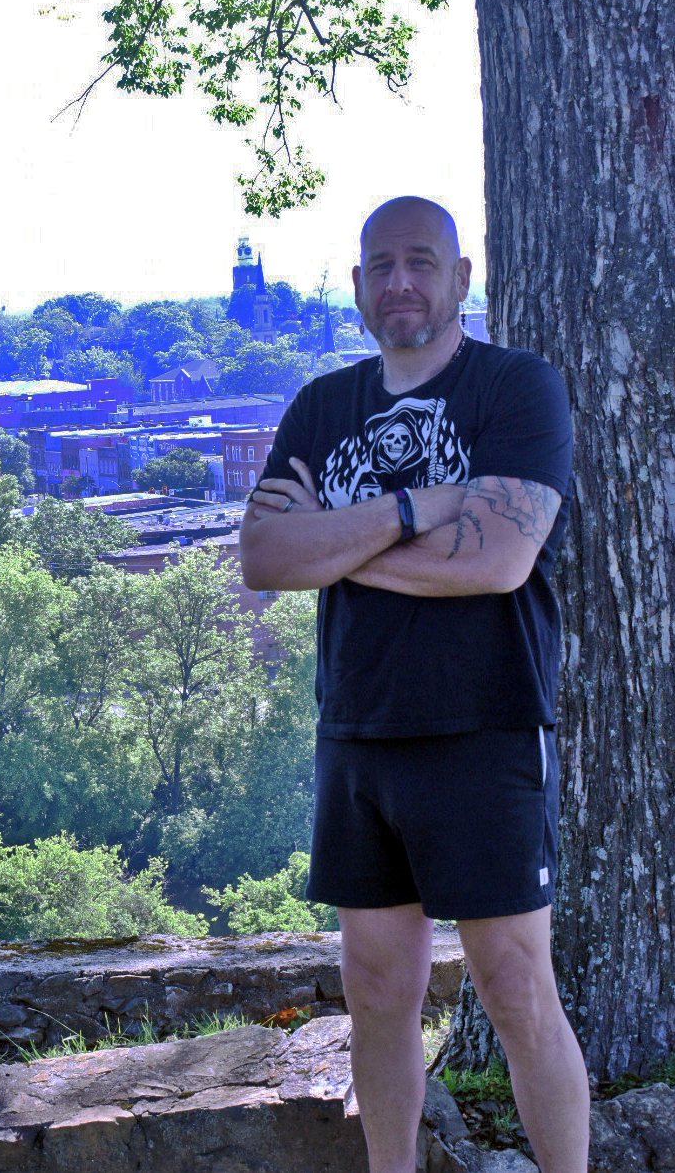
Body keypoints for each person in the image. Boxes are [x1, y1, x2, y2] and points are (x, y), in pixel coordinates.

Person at [239, 196, 589, 1173]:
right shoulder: (323, 406)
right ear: (357, 286)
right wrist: (416, 508)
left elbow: (500, 559)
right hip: (358, 731)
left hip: (487, 727)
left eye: (422, 262)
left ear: (460, 278)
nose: (401, 282)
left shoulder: (515, 389)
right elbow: (265, 556)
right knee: (378, 991)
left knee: (516, 988)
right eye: (382, 265)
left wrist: (337, 539)